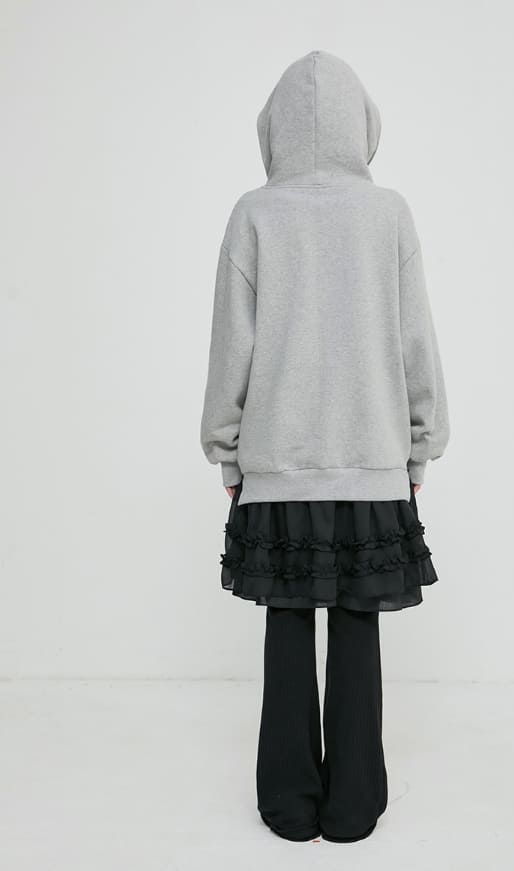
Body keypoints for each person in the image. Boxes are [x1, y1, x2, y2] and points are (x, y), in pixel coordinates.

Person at [200, 50, 450, 843]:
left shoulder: (254, 214)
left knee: (286, 622)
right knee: (356, 620)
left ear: (273, 129)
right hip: (371, 460)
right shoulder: (388, 215)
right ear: (362, 126)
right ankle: (353, 803)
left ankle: (287, 801)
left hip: (278, 464)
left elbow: (230, 347)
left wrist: (227, 448)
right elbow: (417, 342)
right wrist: (419, 446)